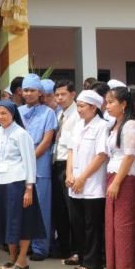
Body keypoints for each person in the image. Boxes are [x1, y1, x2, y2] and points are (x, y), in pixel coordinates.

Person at [0, 100, 45, 269]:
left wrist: (29, 188)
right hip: (0, 182)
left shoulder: (21, 134)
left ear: (12, 114)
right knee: (6, 221)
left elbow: (29, 161)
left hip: (17, 182)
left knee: (22, 221)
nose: (0, 117)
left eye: (4, 113)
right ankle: (12, 257)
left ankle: (22, 259)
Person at [65, 90, 110, 269]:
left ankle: (93, 263)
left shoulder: (102, 126)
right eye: (78, 106)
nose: (79, 110)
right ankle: (84, 258)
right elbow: (70, 151)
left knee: (92, 226)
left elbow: (101, 155)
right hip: (74, 183)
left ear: (93, 108)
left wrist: (83, 177)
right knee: (78, 224)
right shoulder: (78, 126)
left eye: (82, 106)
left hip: (92, 184)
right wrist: (69, 173)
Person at [103, 86, 135, 269]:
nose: (107, 106)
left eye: (111, 102)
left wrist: (117, 182)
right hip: (113, 174)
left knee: (124, 225)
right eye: (107, 102)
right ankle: (116, 267)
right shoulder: (115, 124)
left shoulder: (130, 124)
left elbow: (129, 156)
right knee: (113, 224)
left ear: (124, 104)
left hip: (125, 177)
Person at [19, 74, 58, 261]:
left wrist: (30, 159)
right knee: (22, 207)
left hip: (39, 164)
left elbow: (47, 140)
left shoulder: (48, 113)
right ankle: (24, 245)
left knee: (41, 207)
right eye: (25, 90)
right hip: (19, 164)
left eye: (32, 90)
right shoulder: (17, 111)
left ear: (39, 92)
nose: (28, 93)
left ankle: (41, 247)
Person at [52, 80, 79, 259]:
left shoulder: (77, 114)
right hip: (57, 164)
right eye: (57, 95)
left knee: (72, 211)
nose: (60, 98)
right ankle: (64, 248)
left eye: (63, 94)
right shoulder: (59, 114)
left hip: (70, 165)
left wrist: (70, 171)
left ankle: (76, 250)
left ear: (73, 94)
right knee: (60, 209)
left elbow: (74, 147)